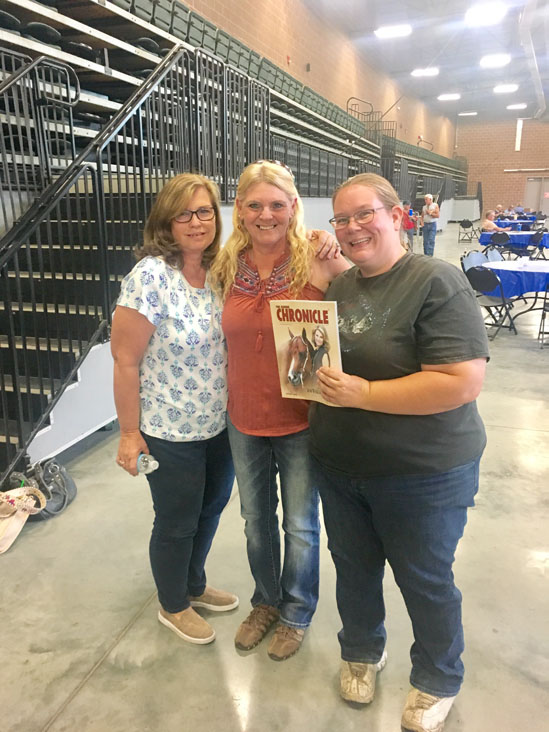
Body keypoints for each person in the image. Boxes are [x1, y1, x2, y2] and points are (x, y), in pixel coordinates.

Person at [309, 173, 489, 732]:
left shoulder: (436, 282)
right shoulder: (344, 287)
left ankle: (437, 676)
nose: (352, 228)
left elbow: (460, 382)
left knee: (426, 577)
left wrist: (365, 394)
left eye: (364, 214)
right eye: (342, 219)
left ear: (397, 215)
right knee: (354, 568)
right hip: (343, 466)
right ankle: (362, 649)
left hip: (423, 471)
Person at [210, 160, 350, 661]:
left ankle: (296, 611)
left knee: (300, 525)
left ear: (293, 207)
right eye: (254, 205)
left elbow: (362, 313)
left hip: (301, 421)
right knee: (254, 520)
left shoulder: (317, 256)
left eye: (276, 204)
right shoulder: (227, 264)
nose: (265, 213)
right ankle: (265, 601)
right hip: (243, 416)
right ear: (241, 211)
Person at [111, 173, 238, 646]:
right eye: (183, 213)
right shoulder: (149, 276)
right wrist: (129, 432)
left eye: (204, 211)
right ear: (166, 221)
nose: (196, 222)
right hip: (169, 428)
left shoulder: (221, 270)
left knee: (210, 510)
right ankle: (172, 602)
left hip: (219, 425)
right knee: (177, 519)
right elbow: (125, 360)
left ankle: (194, 584)